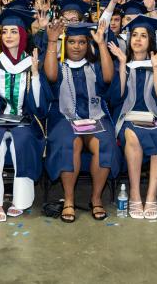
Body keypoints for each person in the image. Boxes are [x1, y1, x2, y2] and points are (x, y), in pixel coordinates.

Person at [43, 19, 120, 223]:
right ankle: (69, 199)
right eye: (71, 42)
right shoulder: (59, 67)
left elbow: (109, 77)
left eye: (82, 42)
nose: (76, 46)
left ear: (88, 45)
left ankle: (95, 198)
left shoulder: (94, 67)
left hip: (95, 117)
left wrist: (102, 44)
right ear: (65, 44)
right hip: (65, 118)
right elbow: (50, 76)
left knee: (106, 142)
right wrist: (52, 42)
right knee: (70, 142)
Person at [0, 9, 48, 222]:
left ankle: (21, 199)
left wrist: (35, 75)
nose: (8, 36)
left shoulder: (32, 62)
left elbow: (39, 106)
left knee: (23, 139)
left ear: (23, 36)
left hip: (25, 119)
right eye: (4, 31)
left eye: (13, 32)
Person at [108, 16, 157, 220]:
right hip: (128, 118)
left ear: (150, 41)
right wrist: (121, 64)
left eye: (143, 36)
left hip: (153, 117)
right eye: (134, 35)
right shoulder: (123, 63)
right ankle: (135, 193)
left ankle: (151, 195)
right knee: (132, 135)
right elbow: (116, 96)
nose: (137, 39)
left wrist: (155, 67)